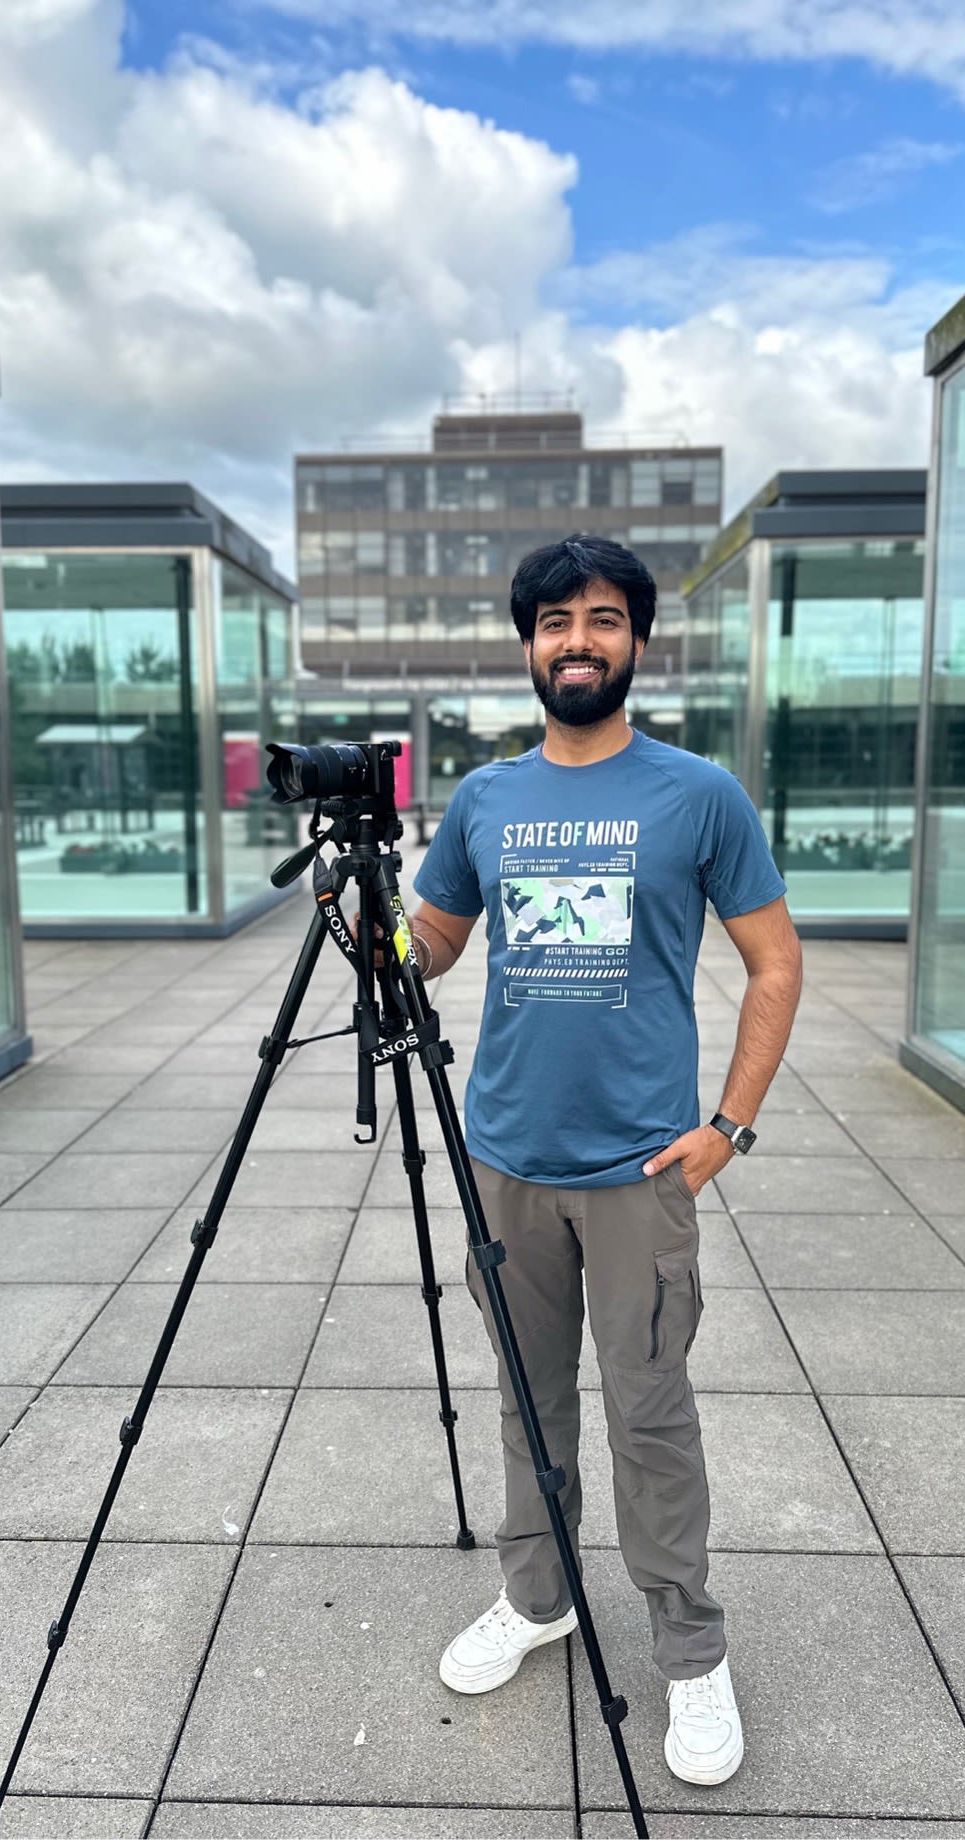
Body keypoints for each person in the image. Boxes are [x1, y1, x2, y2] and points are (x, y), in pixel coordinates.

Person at [403, 534, 802, 1787]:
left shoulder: (696, 795)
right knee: (531, 1410)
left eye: (602, 619)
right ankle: (539, 1598)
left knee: (649, 1417)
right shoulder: (483, 800)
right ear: (527, 645)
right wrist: (374, 934)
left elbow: (775, 963)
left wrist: (726, 1127)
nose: (578, 640)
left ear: (635, 641)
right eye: (555, 621)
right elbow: (433, 951)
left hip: (640, 1176)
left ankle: (690, 1652)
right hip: (506, 1161)